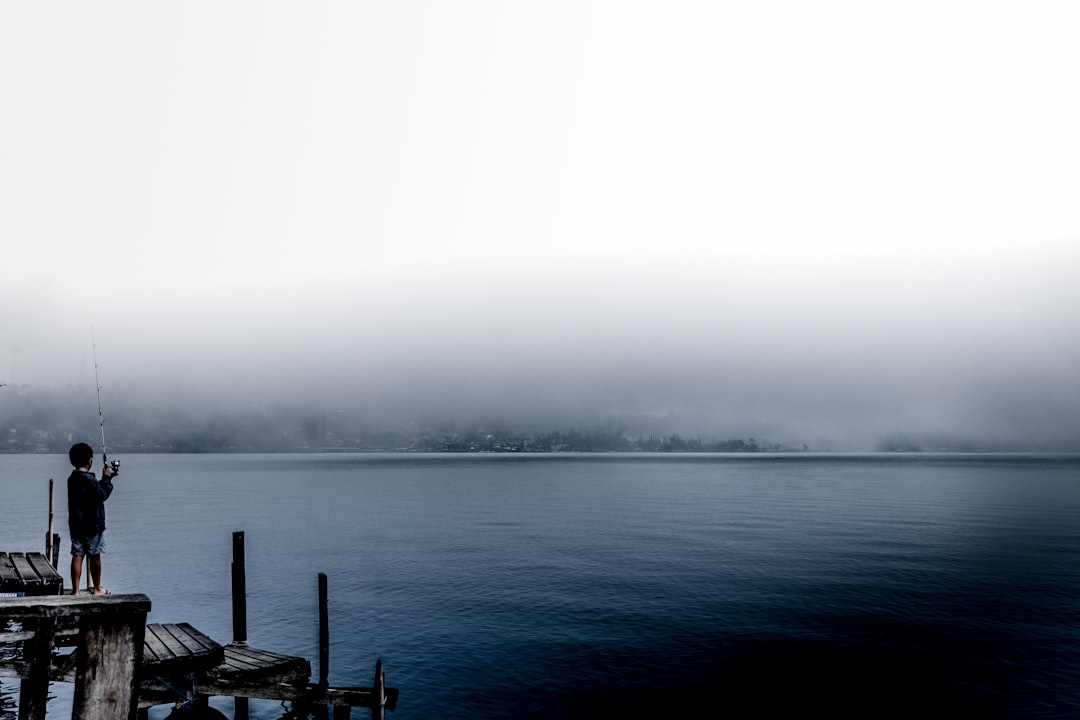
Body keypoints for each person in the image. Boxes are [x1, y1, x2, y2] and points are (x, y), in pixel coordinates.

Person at [67, 442, 117, 595]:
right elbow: (101, 494)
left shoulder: (72, 479)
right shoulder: (90, 480)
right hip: (93, 526)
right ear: (90, 461)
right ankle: (97, 588)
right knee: (95, 556)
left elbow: (93, 492)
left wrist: (102, 480)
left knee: (77, 555)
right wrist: (107, 479)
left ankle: (75, 591)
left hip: (76, 525)